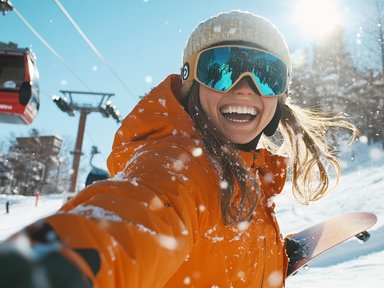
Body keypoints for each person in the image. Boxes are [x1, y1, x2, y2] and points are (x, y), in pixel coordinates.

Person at [0, 10, 356, 288]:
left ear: (279, 97)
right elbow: (131, 220)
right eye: (222, 69)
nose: (245, 88)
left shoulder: (245, 176)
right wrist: (51, 269)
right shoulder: (179, 166)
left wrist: (272, 256)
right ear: (191, 82)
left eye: (266, 74)